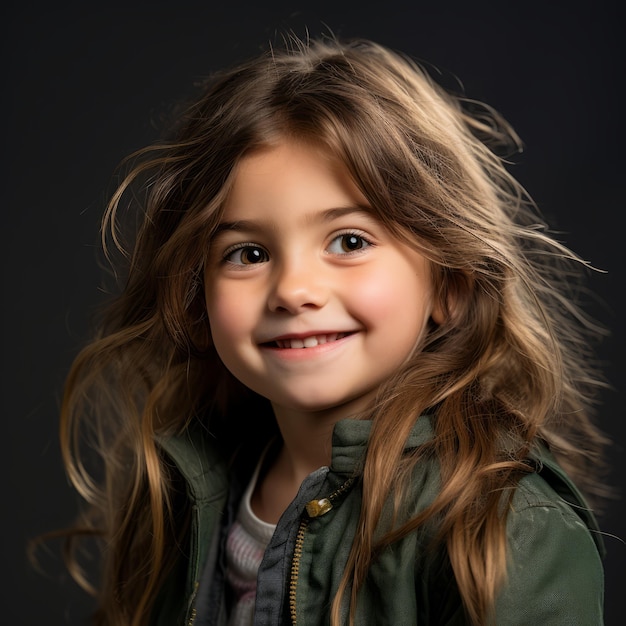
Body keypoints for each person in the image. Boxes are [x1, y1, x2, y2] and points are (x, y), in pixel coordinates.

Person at [50, 35, 610, 625]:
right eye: (247, 253)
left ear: (451, 284)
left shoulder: (504, 523)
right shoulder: (183, 497)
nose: (293, 290)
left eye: (349, 242)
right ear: (196, 294)